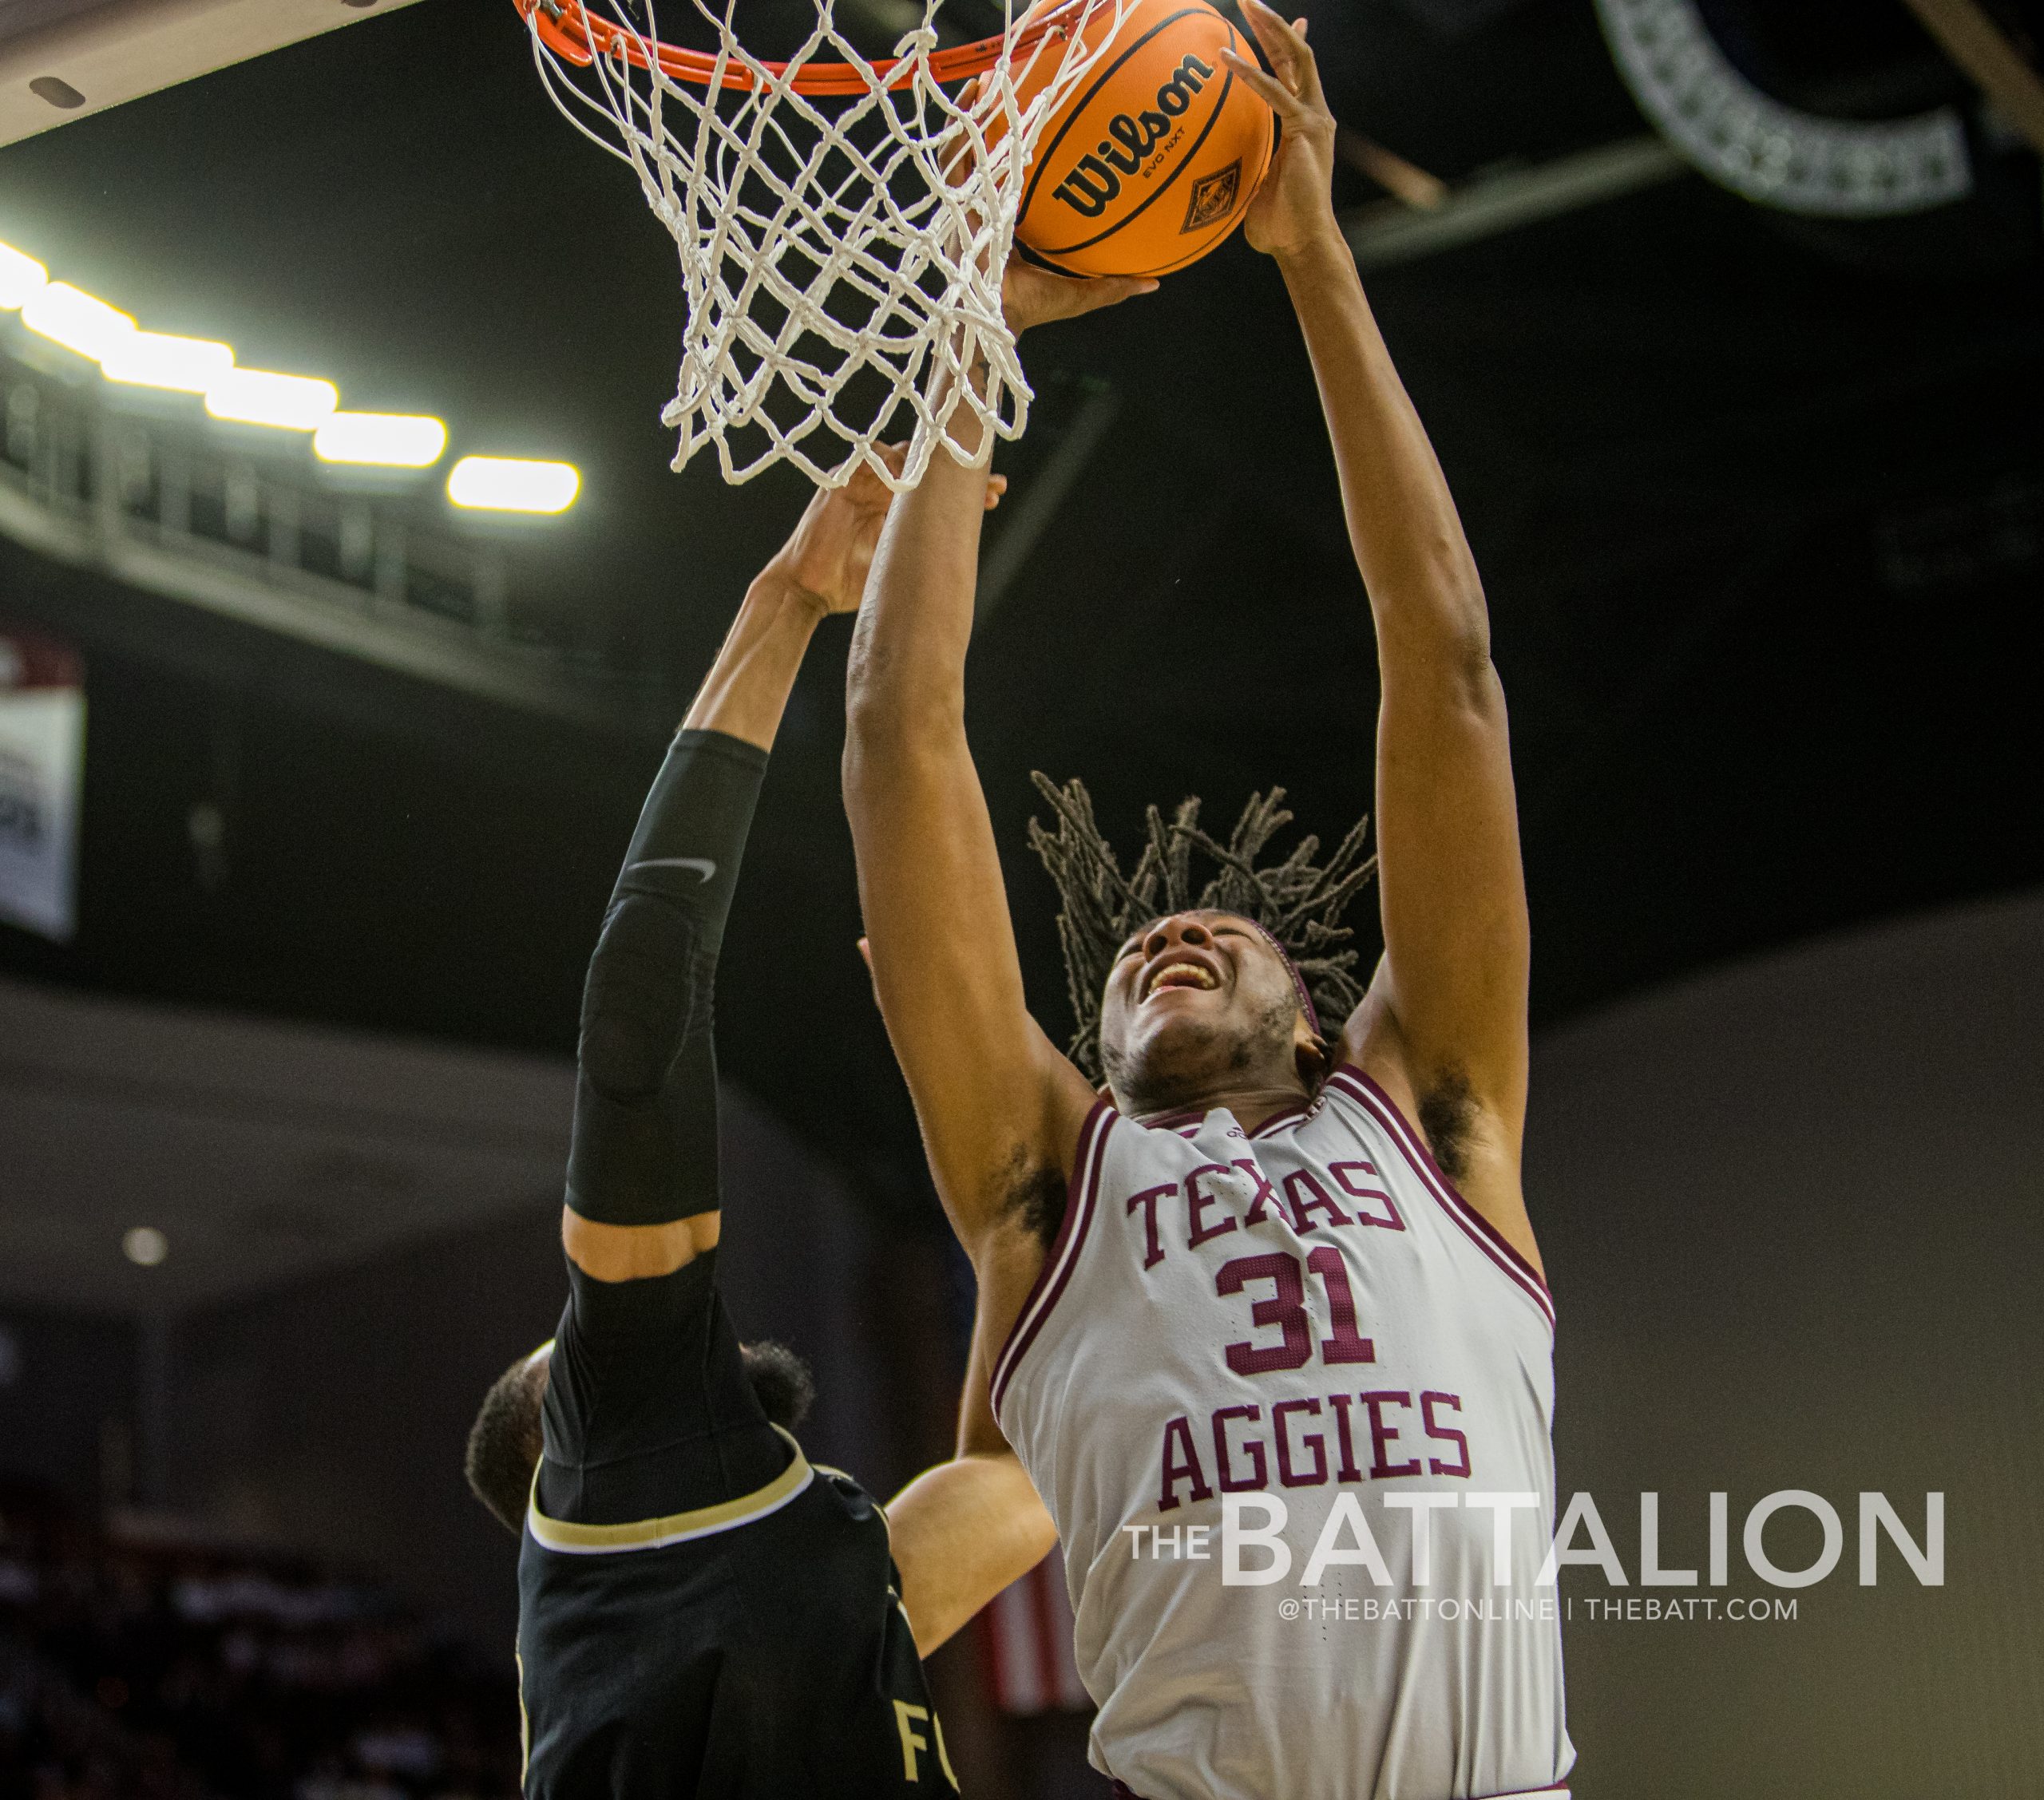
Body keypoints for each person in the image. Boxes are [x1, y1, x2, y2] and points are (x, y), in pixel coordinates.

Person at [838, 4, 1573, 1796]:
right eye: (1130, 963)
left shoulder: (1441, 1121)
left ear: (1318, 1022)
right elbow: (895, 739)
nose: (1168, 932)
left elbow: (1447, 664)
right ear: (1081, 1055)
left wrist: (1316, 256)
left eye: (1219, 934)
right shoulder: (1044, 1186)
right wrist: (963, 338)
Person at [463, 461, 1056, 1798]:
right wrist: (783, 597)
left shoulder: (838, 1565)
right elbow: (633, 1031)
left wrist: (992, 1082)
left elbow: (1024, 1457)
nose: (612, 1307)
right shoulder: (620, 1461)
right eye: (583, 1339)